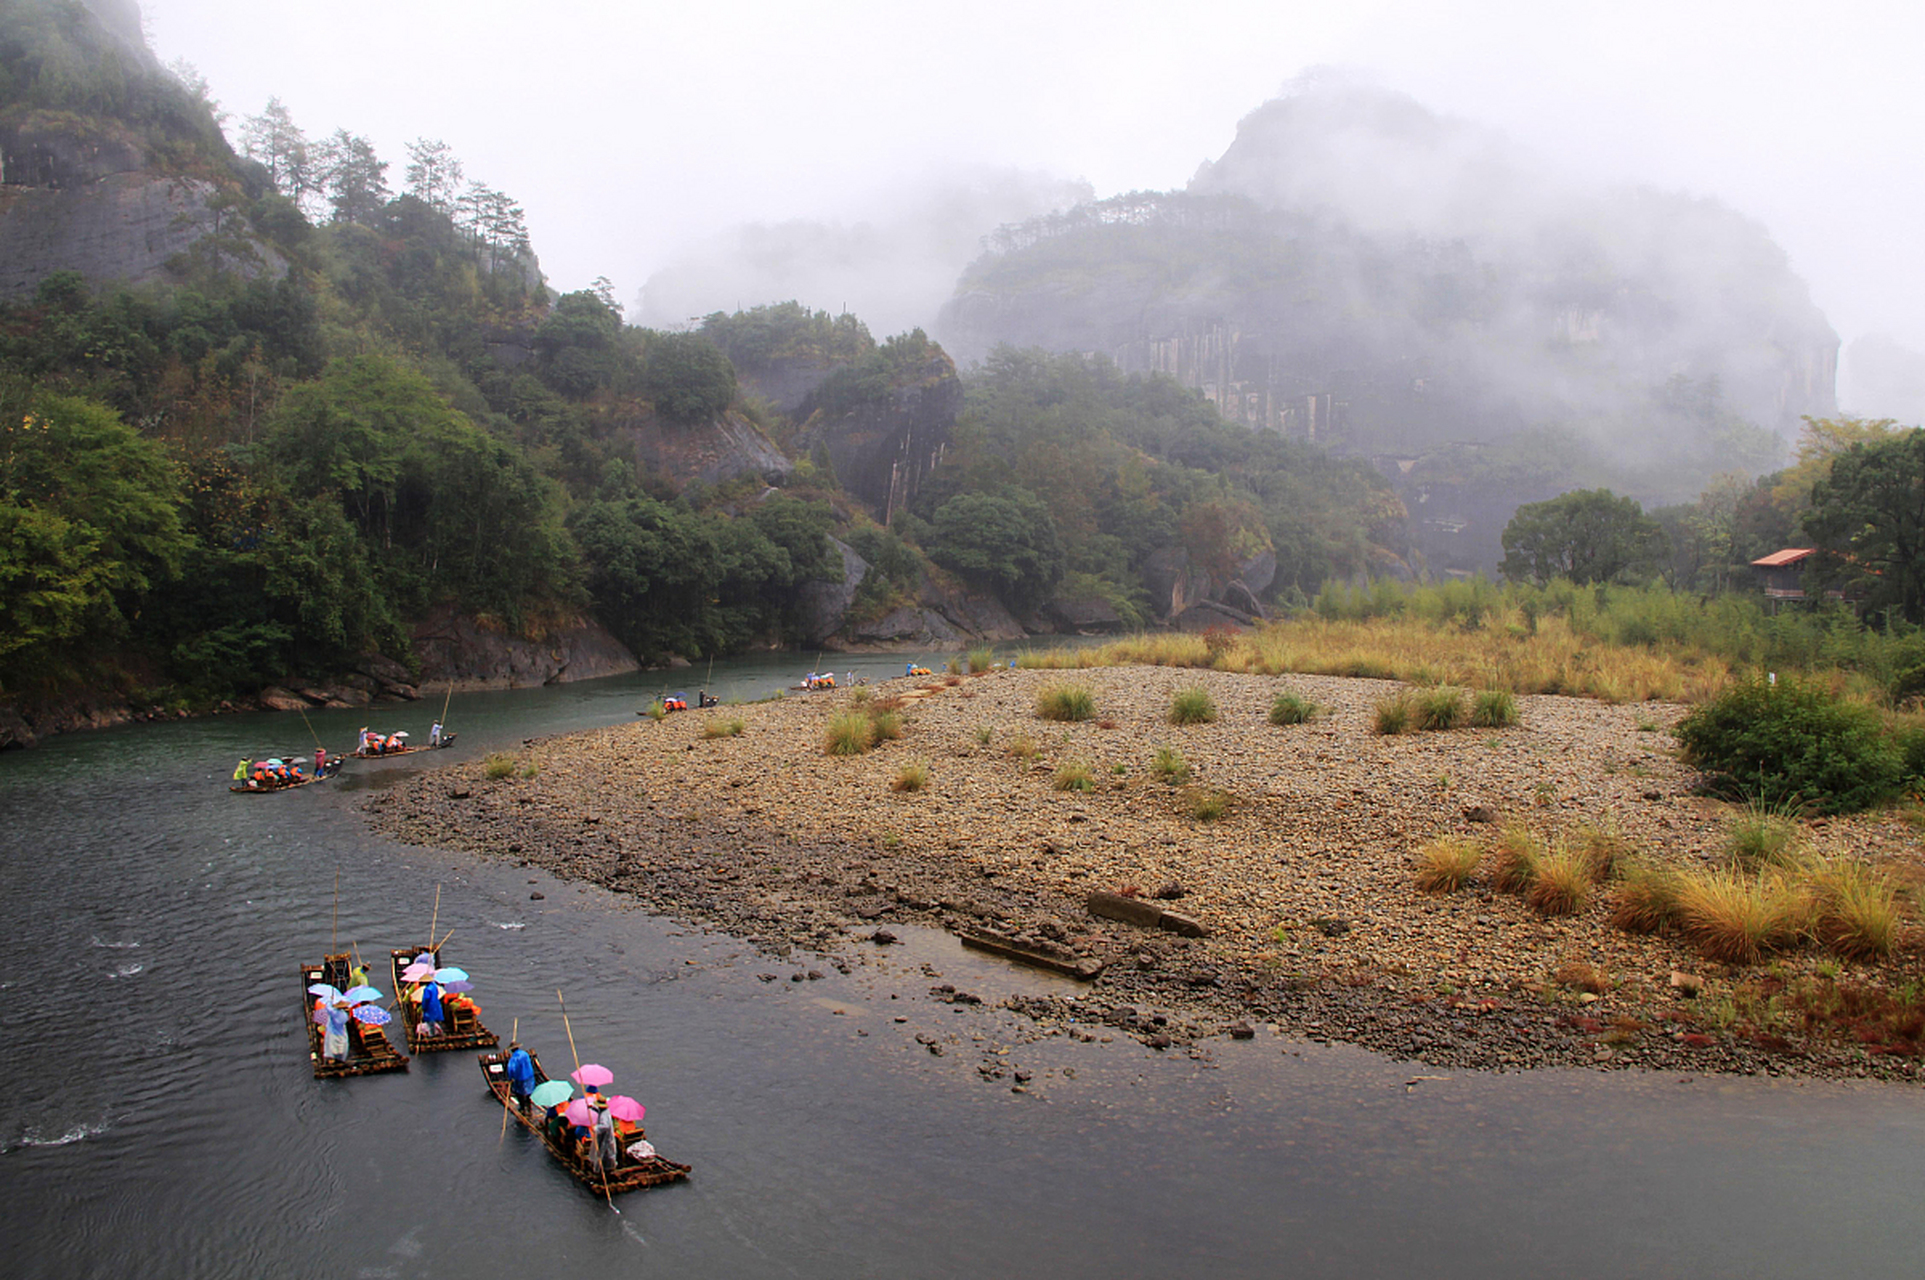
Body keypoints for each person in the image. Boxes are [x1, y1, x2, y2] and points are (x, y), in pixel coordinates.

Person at [504, 1042, 535, 1111]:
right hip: (530, 1075)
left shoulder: (514, 1058)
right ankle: (529, 1106)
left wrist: (510, 1078)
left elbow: (511, 1069)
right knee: (529, 1091)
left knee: (519, 1092)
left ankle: (523, 1107)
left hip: (520, 1078)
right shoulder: (525, 1054)